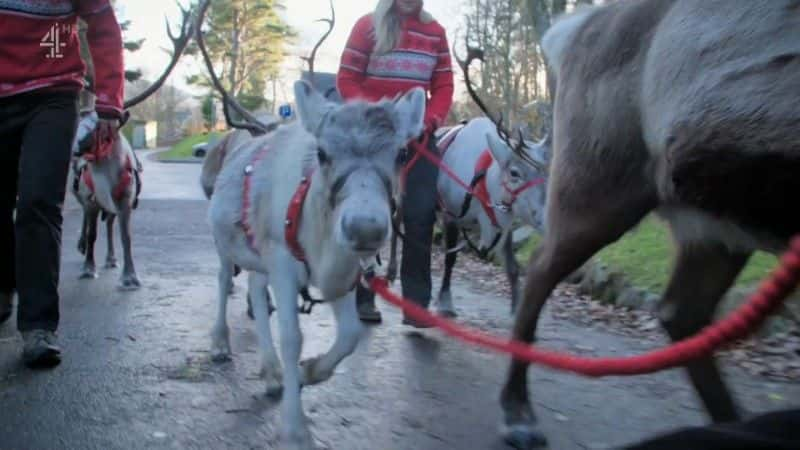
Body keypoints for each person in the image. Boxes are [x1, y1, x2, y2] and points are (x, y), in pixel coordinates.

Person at [0, 0, 124, 368]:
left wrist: (108, 104)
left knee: (38, 200)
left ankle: (38, 325)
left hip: (52, 90)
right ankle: (4, 285)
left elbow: (102, 26)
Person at [336, 0, 454, 325]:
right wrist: (379, 114)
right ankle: (362, 295)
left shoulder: (435, 32)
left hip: (416, 136)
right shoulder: (366, 26)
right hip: (371, 135)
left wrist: (429, 120)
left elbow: (443, 86)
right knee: (369, 210)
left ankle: (415, 305)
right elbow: (347, 79)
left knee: (421, 213)